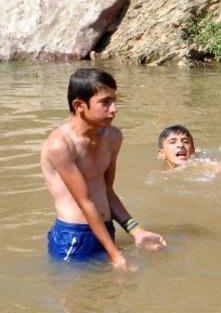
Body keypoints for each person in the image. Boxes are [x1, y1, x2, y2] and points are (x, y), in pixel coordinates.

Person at [40, 68, 165, 269]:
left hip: (106, 230)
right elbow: (85, 202)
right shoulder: (61, 145)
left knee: (108, 297)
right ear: (79, 105)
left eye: (114, 100)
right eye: (105, 102)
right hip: (74, 238)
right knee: (78, 298)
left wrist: (136, 231)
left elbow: (107, 193)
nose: (114, 109)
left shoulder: (113, 137)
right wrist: (115, 255)